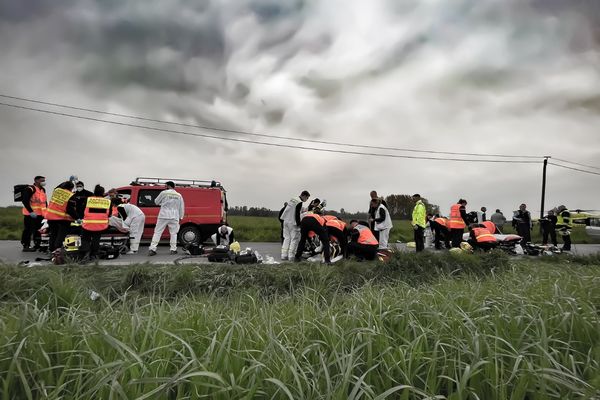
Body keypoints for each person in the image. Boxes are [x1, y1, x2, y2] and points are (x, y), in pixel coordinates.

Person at [148, 181, 185, 256]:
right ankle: (173, 249)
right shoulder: (179, 195)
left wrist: (162, 203)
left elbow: (156, 202)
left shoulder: (164, 193)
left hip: (163, 215)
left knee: (157, 232)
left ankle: (152, 249)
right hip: (174, 216)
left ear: (168, 186)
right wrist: (181, 217)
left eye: (166, 185)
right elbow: (181, 207)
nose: (165, 186)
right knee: (174, 233)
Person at [80, 185, 112, 260]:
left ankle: (85, 252)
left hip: (87, 224)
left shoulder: (88, 199)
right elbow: (109, 214)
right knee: (96, 239)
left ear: (94, 192)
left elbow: (82, 210)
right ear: (103, 193)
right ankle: (94, 254)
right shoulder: (107, 201)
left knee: (85, 239)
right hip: (100, 225)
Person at [45, 181, 78, 252]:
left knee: (53, 233)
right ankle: (57, 249)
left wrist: (66, 182)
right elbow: (70, 209)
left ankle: (51, 249)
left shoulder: (57, 191)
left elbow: (58, 186)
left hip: (50, 216)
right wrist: (77, 218)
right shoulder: (71, 195)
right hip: (62, 218)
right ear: (71, 188)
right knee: (61, 234)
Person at [280, 191, 310, 261]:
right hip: (292, 222)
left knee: (287, 238)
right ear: (304, 196)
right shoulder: (299, 202)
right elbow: (296, 214)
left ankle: (284, 255)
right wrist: (299, 224)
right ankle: (291, 256)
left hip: (285, 220)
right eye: (307, 198)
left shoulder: (293, 199)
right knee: (294, 239)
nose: (307, 200)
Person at [21, 176, 47, 252]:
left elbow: (44, 202)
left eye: (44, 180)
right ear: (36, 181)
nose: (43, 182)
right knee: (28, 230)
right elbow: (25, 201)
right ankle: (26, 246)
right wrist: (31, 211)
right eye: (42, 180)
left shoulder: (42, 189)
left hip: (40, 214)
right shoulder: (30, 189)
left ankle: (37, 245)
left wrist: (47, 213)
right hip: (30, 214)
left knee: (39, 230)